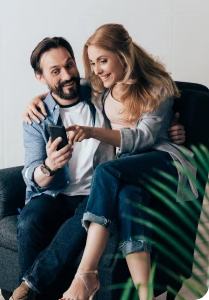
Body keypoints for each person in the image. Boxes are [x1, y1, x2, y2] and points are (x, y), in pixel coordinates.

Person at [11, 33, 186, 300]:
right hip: (54, 192)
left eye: (70, 65)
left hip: (95, 190)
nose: (67, 75)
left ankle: (52, 282)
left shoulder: (98, 92)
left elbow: (142, 123)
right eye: (55, 71)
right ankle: (34, 292)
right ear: (41, 77)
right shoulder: (38, 116)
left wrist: (170, 129)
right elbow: (32, 175)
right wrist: (48, 166)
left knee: (113, 186)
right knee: (30, 221)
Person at [57, 24, 198, 300]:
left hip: (163, 161)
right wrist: (38, 99)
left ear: (123, 56)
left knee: (107, 172)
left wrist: (94, 132)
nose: (97, 69)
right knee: (128, 196)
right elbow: (66, 89)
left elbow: (144, 137)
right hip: (129, 168)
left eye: (103, 60)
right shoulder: (101, 86)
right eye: (93, 62)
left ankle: (86, 275)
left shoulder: (158, 86)